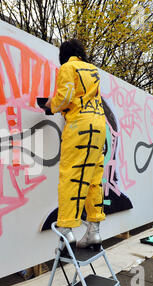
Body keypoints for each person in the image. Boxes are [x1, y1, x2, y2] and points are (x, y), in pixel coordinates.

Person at [43, 39, 106, 252]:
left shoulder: (68, 67)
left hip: (80, 124)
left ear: (64, 53)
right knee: (93, 177)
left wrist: (52, 105)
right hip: (99, 124)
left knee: (72, 174)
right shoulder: (93, 70)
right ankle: (93, 231)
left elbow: (66, 95)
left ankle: (66, 230)